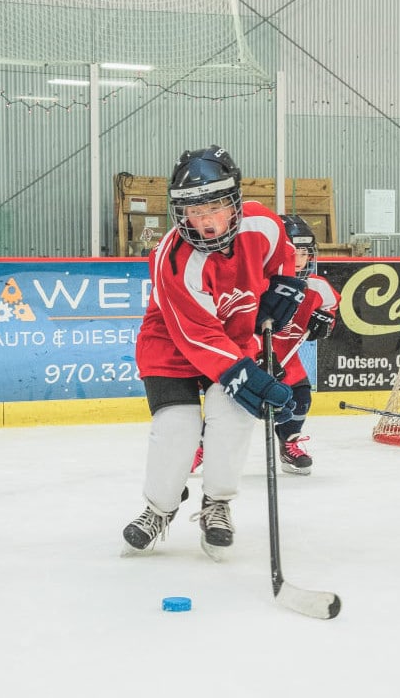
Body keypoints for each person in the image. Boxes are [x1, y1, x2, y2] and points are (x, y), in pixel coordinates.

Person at [121, 146, 305, 561]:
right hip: (171, 346)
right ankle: (158, 509)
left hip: (235, 339)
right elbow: (196, 335)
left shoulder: (263, 223)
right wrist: (244, 374)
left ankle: (217, 504)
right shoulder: (172, 259)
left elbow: (282, 258)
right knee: (177, 429)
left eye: (215, 208)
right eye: (192, 210)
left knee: (233, 417)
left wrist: (287, 285)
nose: (204, 221)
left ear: (234, 202)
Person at [267, 214, 342, 475]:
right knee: (233, 406)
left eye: (304, 251)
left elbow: (331, 305)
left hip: (287, 357)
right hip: (251, 355)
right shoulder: (260, 284)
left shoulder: (316, 287)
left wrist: (325, 321)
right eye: (293, 251)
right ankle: (204, 446)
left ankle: (289, 443)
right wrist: (259, 357)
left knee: (300, 397)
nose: (300, 258)